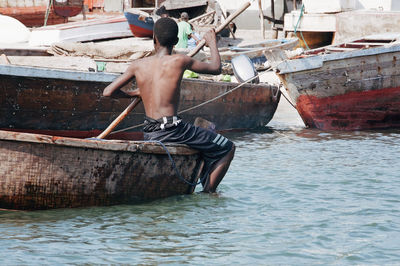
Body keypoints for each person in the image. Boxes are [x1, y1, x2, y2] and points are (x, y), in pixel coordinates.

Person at [103, 17, 235, 193]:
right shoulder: (180, 61)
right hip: (173, 131)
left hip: (150, 131)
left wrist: (134, 93)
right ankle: (209, 193)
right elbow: (216, 68)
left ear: (154, 40)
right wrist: (212, 42)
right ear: (175, 41)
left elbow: (108, 92)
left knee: (203, 140)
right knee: (227, 147)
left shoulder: (138, 65)